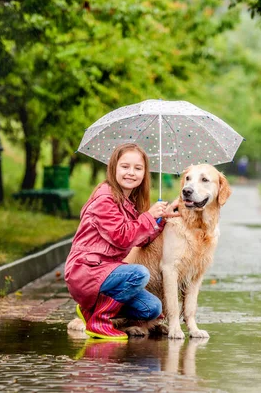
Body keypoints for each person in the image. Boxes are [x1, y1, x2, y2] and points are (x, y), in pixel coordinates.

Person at [65, 143, 179, 340]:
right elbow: (122, 237)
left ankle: (90, 309)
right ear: (113, 168)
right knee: (138, 274)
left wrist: (162, 219)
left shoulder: (128, 202)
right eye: (125, 166)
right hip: (86, 271)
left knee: (152, 308)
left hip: (106, 274)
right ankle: (98, 321)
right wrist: (149, 216)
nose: (131, 173)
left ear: (145, 173)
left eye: (138, 168)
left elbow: (140, 239)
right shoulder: (105, 199)